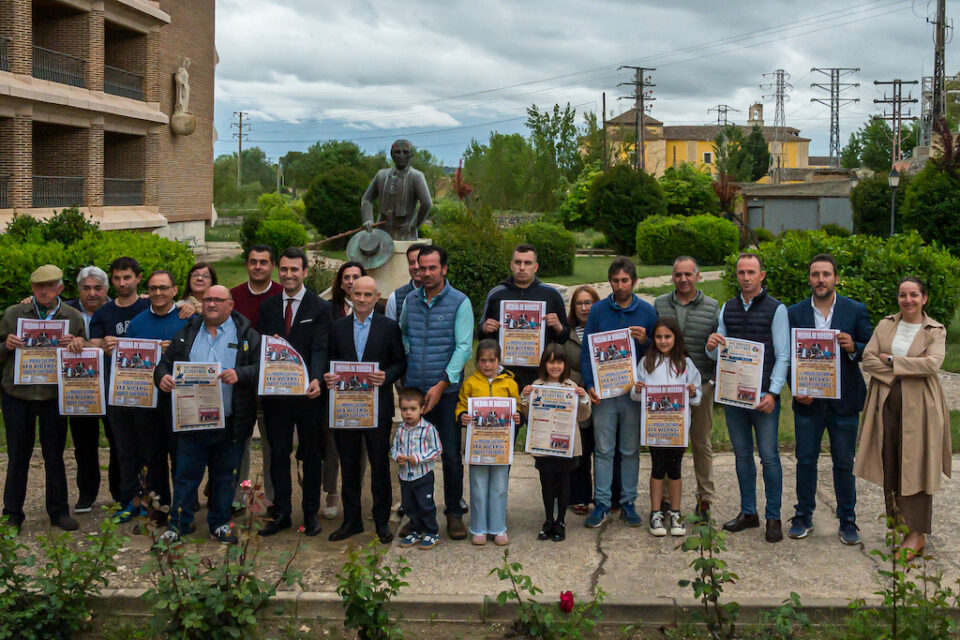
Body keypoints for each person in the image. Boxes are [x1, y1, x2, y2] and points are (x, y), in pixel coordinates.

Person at [854, 277, 950, 561]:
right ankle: (901, 527)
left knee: (917, 468)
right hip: (886, 405)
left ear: (924, 298)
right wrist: (909, 365)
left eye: (914, 295)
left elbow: (932, 364)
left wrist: (891, 361)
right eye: (902, 295)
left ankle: (917, 534)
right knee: (892, 463)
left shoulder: (935, 330)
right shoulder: (886, 325)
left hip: (920, 408)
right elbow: (867, 358)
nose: (907, 300)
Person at [156, 286, 260, 544]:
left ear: (231, 305)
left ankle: (220, 524)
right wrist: (163, 378)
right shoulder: (187, 333)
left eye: (218, 300)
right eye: (207, 299)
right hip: (192, 421)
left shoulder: (247, 335)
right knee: (185, 476)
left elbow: (263, 368)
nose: (212, 304)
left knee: (225, 478)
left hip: (230, 421)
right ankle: (177, 526)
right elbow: (164, 364)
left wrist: (241, 374)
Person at [786, 254, 873, 545]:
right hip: (808, 401)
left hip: (844, 401)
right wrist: (794, 387)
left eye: (826, 274)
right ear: (809, 279)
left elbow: (870, 348)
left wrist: (854, 347)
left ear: (836, 278)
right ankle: (803, 515)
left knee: (844, 463)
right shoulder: (794, 313)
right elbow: (786, 357)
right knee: (805, 460)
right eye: (815, 274)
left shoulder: (855, 310)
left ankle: (848, 520)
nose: (820, 279)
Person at [706, 253, 790, 543]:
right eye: (741, 272)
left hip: (764, 397)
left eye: (751, 272)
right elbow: (718, 352)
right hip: (733, 397)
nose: (745, 277)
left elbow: (784, 355)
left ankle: (774, 516)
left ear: (762, 275)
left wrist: (774, 392)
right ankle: (748, 512)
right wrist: (711, 346)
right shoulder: (727, 308)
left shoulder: (776, 309)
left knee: (769, 457)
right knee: (742, 456)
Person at [0, 265, 86, 533]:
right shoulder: (14, 314)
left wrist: (77, 345)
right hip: (18, 394)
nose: (44, 291)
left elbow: (83, 352)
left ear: (60, 288)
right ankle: (12, 514)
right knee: (18, 455)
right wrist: (6, 346)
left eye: (50, 286)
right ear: (32, 288)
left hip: (53, 395)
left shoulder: (72, 317)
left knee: (54, 455)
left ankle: (58, 511)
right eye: (39, 287)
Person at [398, 245, 474, 540]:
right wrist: (408, 364)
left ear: (444, 269)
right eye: (421, 267)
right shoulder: (410, 300)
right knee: (412, 455)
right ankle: (415, 515)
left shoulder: (460, 302)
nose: (426, 273)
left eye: (432, 267)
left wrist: (443, 382)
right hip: (414, 394)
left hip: (447, 392)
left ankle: (454, 513)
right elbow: (403, 331)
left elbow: (464, 347)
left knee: (451, 456)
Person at [325, 276, 406, 544]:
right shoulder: (337, 327)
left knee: (379, 465)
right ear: (351, 295)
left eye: (367, 295)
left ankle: (381, 521)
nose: (361, 299)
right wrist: (328, 377)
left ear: (376, 297)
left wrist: (387, 376)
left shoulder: (389, 327)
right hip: (346, 407)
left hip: (377, 408)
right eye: (357, 294)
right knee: (348, 465)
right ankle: (352, 520)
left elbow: (400, 363)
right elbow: (329, 361)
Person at [257, 248, 330, 537]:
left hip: (309, 396)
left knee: (311, 456)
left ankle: (310, 514)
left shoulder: (319, 307)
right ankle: (282, 512)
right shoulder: (268, 308)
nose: (288, 275)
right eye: (284, 269)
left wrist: (317, 379)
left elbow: (321, 347)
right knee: (278, 455)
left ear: (305, 272)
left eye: (294, 270)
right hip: (277, 397)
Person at [580, 257, 657, 529]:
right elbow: (587, 351)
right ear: (609, 281)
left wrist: (645, 341)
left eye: (625, 280)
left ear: (634, 281)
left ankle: (628, 502)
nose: (620, 285)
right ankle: (601, 503)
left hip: (633, 394)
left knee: (630, 450)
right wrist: (590, 384)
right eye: (615, 280)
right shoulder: (599, 310)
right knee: (603, 450)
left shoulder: (647, 311)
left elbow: (660, 352)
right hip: (604, 393)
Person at [653, 257, 719, 519]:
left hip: (698, 385)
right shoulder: (659, 304)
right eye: (678, 275)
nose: (683, 279)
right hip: (665, 390)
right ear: (672, 277)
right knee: (668, 442)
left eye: (688, 274)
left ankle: (705, 499)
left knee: (701, 443)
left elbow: (719, 348)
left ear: (697, 276)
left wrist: (712, 380)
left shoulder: (712, 307)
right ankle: (668, 500)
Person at [89, 257, 152, 523]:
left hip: (149, 391)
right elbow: (93, 346)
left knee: (149, 449)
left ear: (138, 278)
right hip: (116, 392)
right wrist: (103, 346)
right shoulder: (103, 313)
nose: (122, 283)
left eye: (127, 277)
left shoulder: (150, 305)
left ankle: (150, 499)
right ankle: (127, 500)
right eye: (117, 278)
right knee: (123, 450)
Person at [124, 270, 189, 516]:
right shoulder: (138, 322)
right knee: (153, 457)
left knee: (181, 457)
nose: (158, 293)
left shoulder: (187, 319)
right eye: (153, 288)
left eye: (164, 288)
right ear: (147, 292)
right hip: (146, 400)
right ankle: (160, 510)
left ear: (174, 290)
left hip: (180, 399)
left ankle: (183, 509)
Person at [630, 318, 702, 537]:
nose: (663, 341)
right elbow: (635, 395)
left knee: (676, 469)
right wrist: (638, 389)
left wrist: (692, 392)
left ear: (675, 338)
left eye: (667, 337)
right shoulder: (646, 362)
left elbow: (696, 398)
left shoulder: (686, 364)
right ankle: (655, 513)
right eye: (659, 337)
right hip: (655, 428)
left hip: (677, 428)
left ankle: (676, 512)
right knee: (657, 467)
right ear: (654, 339)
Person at [520, 344, 591, 542]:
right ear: (544, 364)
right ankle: (548, 519)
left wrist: (583, 397)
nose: (555, 366)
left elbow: (584, 416)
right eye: (551, 362)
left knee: (564, 482)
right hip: (543, 443)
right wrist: (525, 397)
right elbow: (528, 414)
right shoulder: (536, 386)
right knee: (547, 483)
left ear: (565, 364)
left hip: (565, 444)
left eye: (559, 362)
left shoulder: (572, 387)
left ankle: (561, 520)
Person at [229, 244, 282, 507]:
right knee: (240, 443)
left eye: (263, 262)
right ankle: (238, 495)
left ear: (272, 266)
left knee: (273, 444)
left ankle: (272, 498)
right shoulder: (233, 296)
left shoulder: (283, 295)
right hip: (241, 383)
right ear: (247, 265)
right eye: (253, 261)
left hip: (273, 384)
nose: (258, 267)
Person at [456, 339, 521, 546]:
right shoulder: (471, 383)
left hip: (501, 444)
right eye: (483, 361)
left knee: (500, 485)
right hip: (478, 444)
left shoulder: (509, 383)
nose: (487, 365)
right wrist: (462, 416)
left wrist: (518, 415)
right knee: (478, 485)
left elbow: (517, 406)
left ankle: (498, 527)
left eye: (491, 360)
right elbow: (461, 406)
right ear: (477, 362)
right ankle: (479, 528)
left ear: (498, 360)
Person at [478, 244, 571, 389]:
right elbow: (482, 337)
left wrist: (559, 327)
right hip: (503, 374)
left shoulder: (551, 295)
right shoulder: (497, 294)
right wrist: (485, 328)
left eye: (527, 263)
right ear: (511, 265)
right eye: (518, 262)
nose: (522, 267)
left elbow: (564, 337)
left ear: (536, 267)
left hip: (540, 375)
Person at [66, 266, 114, 511]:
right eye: (86, 288)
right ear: (78, 290)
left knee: (118, 442)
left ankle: (120, 493)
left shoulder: (117, 310)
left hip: (113, 387)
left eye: (98, 288)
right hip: (80, 389)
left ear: (107, 289)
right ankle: (87, 494)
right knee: (84, 444)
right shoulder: (65, 311)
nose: (92, 293)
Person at [391, 387, 442, 549]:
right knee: (409, 505)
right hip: (405, 475)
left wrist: (419, 458)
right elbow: (394, 448)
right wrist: (397, 456)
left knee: (425, 504)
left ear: (421, 409)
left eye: (413, 409)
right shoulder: (401, 430)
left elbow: (437, 449)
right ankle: (416, 530)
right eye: (404, 409)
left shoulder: (428, 429)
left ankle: (432, 532)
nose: (408, 413)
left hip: (423, 475)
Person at [385, 243, 427, 321]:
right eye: (412, 263)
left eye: (420, 262)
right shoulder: (395, 298)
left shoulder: (445, 296)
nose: (416, 267)